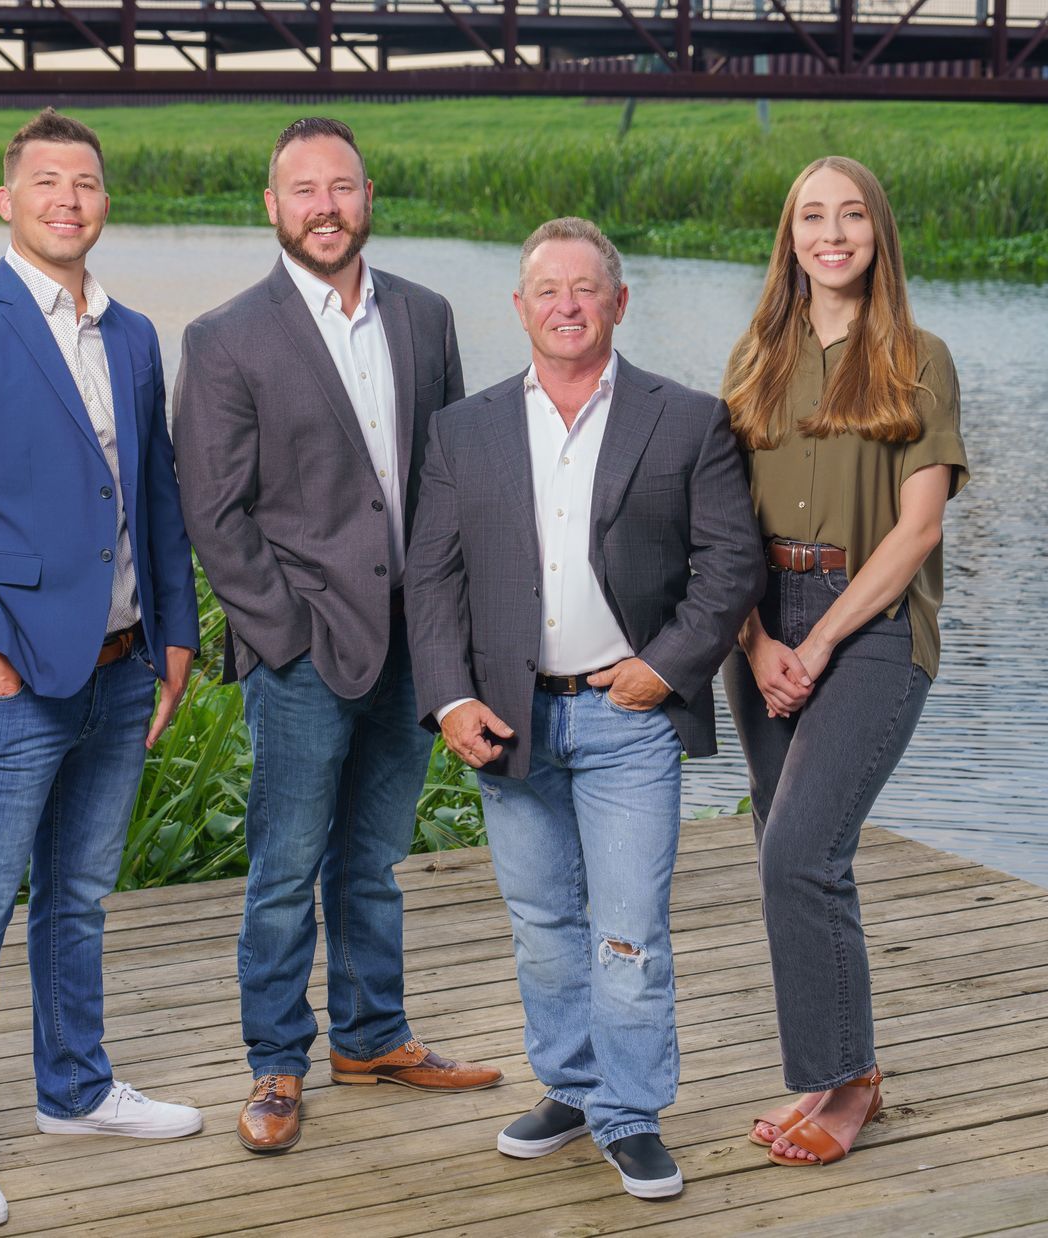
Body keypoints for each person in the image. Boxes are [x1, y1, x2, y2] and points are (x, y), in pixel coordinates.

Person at [0, 109, 204, 1229]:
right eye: (47, 180)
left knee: (82, 897)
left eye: (89, 180)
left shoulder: (138, 335)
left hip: (118, 667)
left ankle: (77, 1088)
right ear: (7, 201)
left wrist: (176, 631)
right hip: (6, 678)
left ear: (107, 204)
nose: (70, 196)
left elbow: (152, 491)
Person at [405, 217, 764, 1200]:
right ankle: (570, 1085)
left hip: (627, 716)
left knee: (629, 929)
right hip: (509, 718)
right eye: (546, 289)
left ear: (618, 302)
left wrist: (668, 664)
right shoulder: (463, 430)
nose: (566, 304)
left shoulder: (686, 420)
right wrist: (448, 696)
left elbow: (731, 561)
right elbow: (430, 582)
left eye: (585, 287)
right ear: (518, 308)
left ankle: (631, 1111)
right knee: (541, 921)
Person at [172, 117, 501, 1156]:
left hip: (416, 647)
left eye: (342, 187)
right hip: (303, 649)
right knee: (283, 866)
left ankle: (372, 1034)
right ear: (272, 207)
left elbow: (446, 484)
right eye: (302, 189)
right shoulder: (224, 338)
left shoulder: (427, 315)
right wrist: (283, 637)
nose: (325, 206)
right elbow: (212, 515)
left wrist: (451, 630)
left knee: (372, 859)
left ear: (369, 196)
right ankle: (276, 1060)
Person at [720, 155, 970, 1168]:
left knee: (798, 853)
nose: (832, 233)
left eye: (852, 214)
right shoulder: (754, 360)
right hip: (763, 622)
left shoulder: (919, 356)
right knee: (797, 852)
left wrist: (817, 642)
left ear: (878, 232)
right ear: (790, 237)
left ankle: (849, 1083)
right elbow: (719, 522)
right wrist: (756, 639)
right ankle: (839, 1070)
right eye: (812, 216)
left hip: (868, 627)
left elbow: (916, 530)